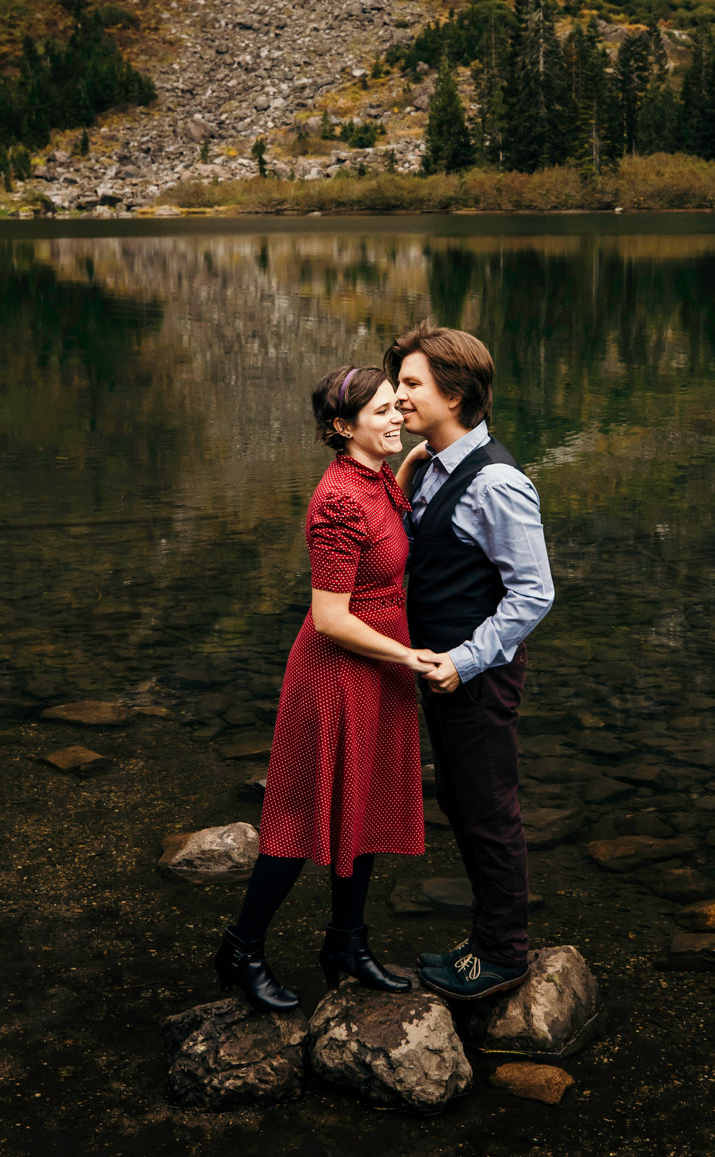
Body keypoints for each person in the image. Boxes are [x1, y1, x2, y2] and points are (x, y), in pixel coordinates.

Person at [215, 365, 435, 1012]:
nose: (397, 418)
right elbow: (331, 617)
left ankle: (345, 942)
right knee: (297, 818)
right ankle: (242, 946)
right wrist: (409, 655)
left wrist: (422, 454)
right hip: (339, 670)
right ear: (343, 427)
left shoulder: (374, 481)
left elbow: (383, 519)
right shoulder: (337, 500)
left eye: (399, 407)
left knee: (361, 804)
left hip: (376, 669)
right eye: (382, 413)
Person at [387, 323, 555, 1001]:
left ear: (455, 393)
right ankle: (486, 936)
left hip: (475, 675)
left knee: (488, 808)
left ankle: (506, 952)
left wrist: (465, 659)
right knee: (459, 798)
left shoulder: (498, 483)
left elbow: (534, 592)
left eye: (411, 384)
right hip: (445, 670)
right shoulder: (432, 463)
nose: (398, 396)